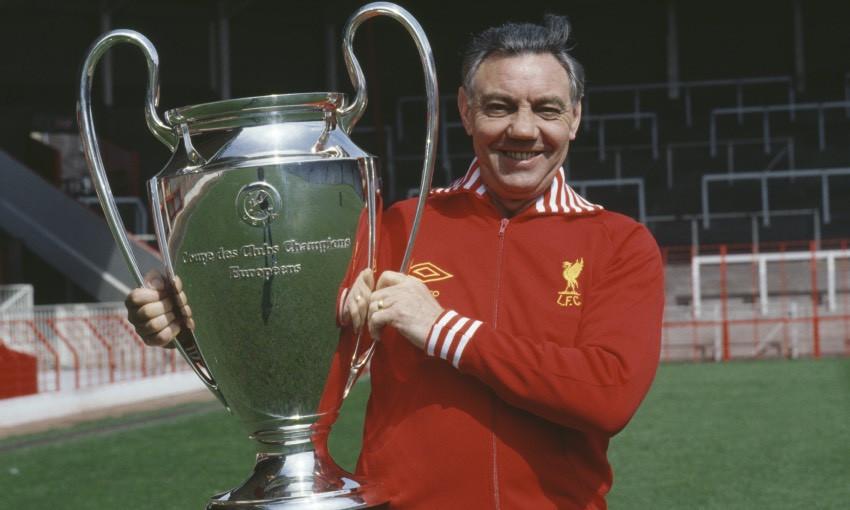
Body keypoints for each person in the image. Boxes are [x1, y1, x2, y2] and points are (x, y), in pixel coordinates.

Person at [127, 14, 664, 510]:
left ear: (574, 117)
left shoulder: (619, 243)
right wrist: (193, 318)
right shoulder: (399, 226)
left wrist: (441, 329)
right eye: (499, 107)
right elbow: (296, 343)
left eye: (546, 109)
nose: (523, 130)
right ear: (465, 110)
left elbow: (607, 396)